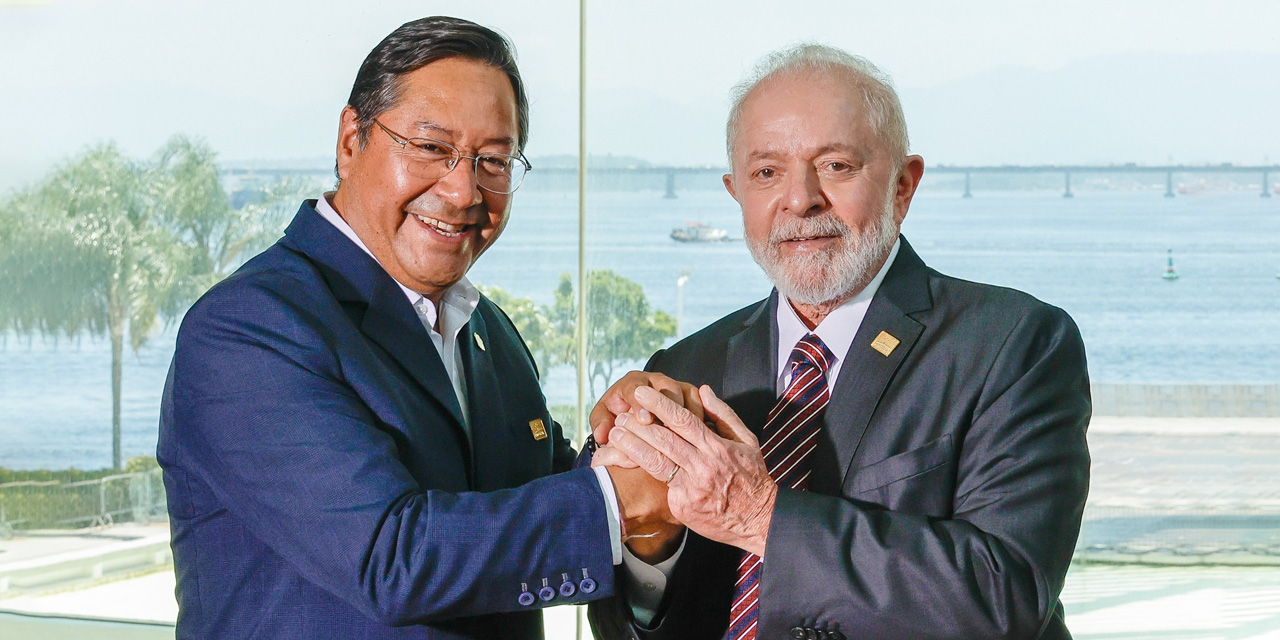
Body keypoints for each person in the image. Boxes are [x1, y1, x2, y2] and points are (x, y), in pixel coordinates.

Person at [156, 17, 676, 639]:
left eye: (492, 161)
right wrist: (617, 500)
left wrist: (638, 441)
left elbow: (537, 504)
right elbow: (388, 559)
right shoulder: (249, 328)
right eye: (431, 148)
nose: (462, 191)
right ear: (352, 140)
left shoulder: (489, 331)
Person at [587, 44, 1091, 640]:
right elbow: (627, 623)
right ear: (736, 192)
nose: (800, 199)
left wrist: (760, 516)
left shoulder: (1013, 342)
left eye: (836, 166)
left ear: (904, 185)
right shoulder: (686, 367)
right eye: (766, 172)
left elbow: (1005, 595)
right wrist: (652, 545)